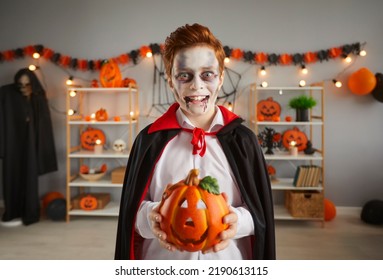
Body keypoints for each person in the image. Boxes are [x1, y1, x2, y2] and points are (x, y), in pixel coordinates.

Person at [115, 23, 275, 260]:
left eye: (207, 74)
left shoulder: (244, 141)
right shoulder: (149, 140)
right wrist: (151, 216)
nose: (196, 85)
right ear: (171, 80)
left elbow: (260, 217)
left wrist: (236, 222)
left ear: (220, 78)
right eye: (184, 75)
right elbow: (132, 218)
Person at [0, 68, 58, 226]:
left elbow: (43, 123)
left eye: (27, 84)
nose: (24, 87)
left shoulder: (38, 97)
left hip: (31, 144)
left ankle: (30, 213)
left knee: (29, 178)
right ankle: (12, 211)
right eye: (21, 84)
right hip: (13, 142)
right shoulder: (7, 95)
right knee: (11, 176)